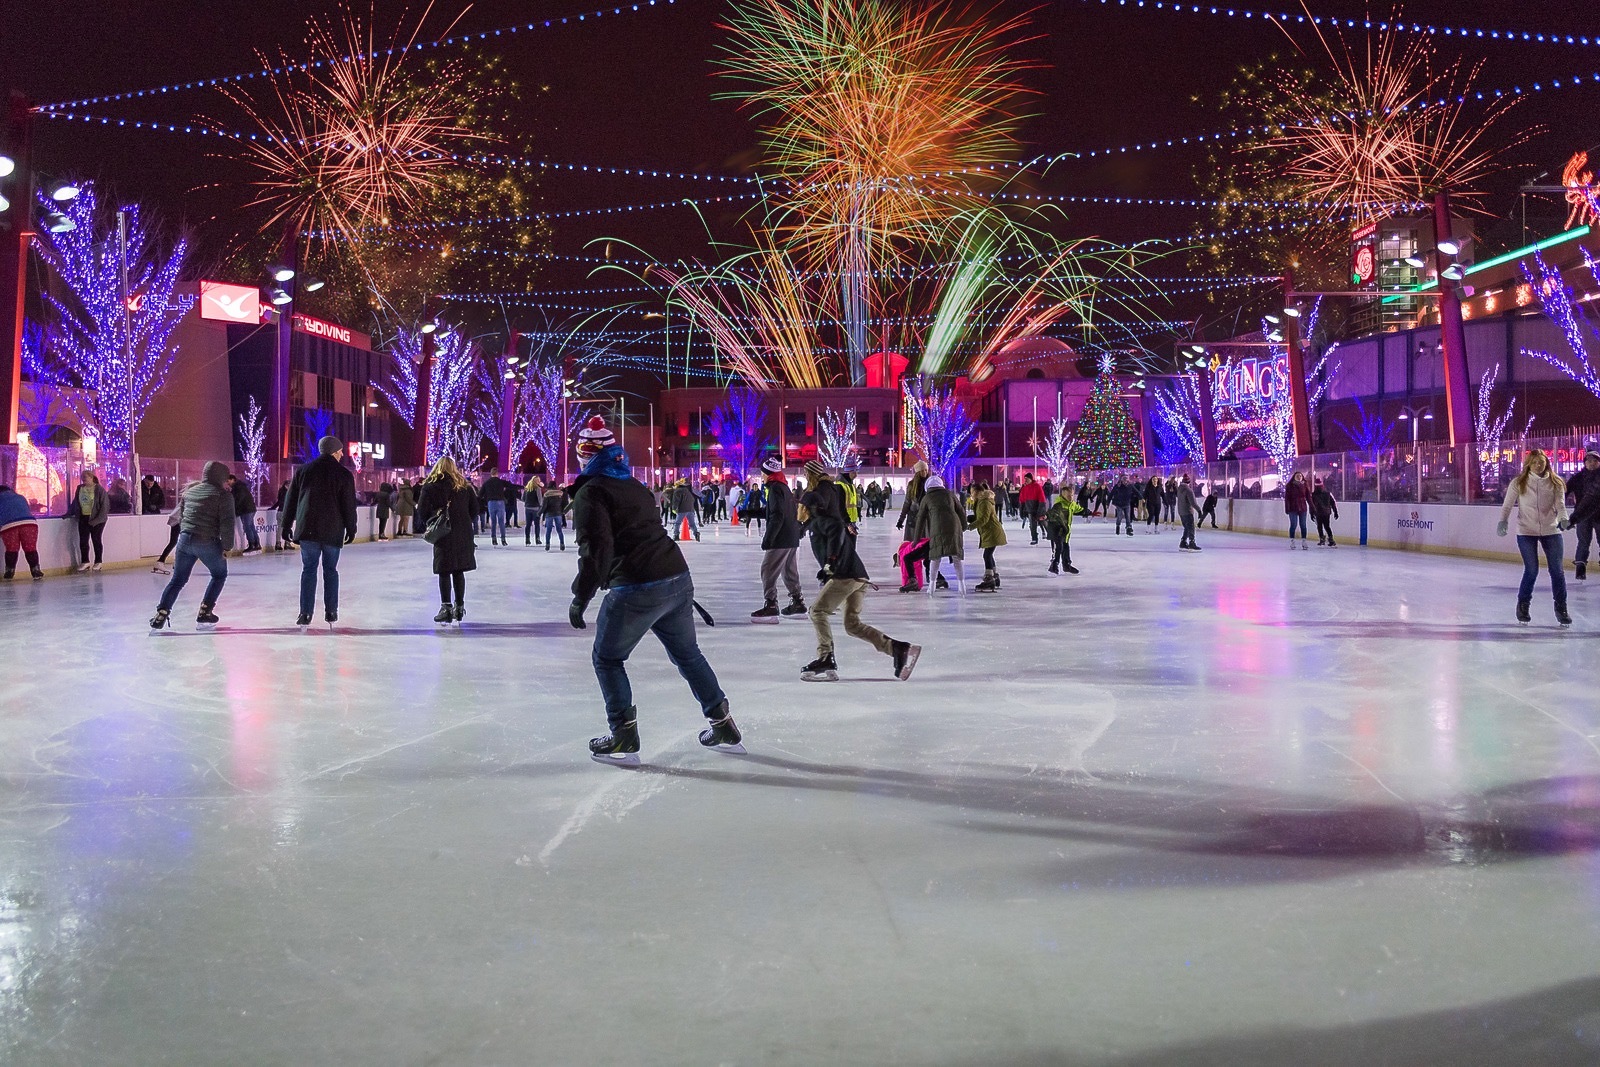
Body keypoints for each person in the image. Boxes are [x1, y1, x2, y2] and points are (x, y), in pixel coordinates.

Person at [566, 417, 741, 763]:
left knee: (607, 658)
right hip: (675, 577)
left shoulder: (591, 492)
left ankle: (623, 735)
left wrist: (580, 596)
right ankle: (722, 723)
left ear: (586, 455)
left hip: (637, 587)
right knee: (688, 655)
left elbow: (596, 550)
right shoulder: (634, 485)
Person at [800, 458, 920, 683]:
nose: (800, 510)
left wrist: (830, 564)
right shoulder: (822, 517)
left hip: (845, 574)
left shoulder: (823, 519)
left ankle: (825, 657)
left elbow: (835, 527)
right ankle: (899, 650)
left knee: (817, 612)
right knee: (852, 625)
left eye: (802, 507)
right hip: (859, 575)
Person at [281, 435, 358, 628]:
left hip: (308, 529)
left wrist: (286, 525)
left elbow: (290, 501)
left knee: (309, 570)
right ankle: (331, 612)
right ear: (334, 452)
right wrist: (351, 527)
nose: (341, 455)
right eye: (340, 452)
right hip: (332, 530)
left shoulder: (304, 471)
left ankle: (305, 613)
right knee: (330, 571)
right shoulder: (343, 474)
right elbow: (349, 505)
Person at [149, 461, 235, 631]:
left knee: (178, 580)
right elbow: (227, 523)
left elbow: (182, 516)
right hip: (207, 541)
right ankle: (205, 612)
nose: (227, 482)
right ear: (220, 477)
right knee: (219, 575)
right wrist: (227, 547)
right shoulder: (223, 496)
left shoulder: (190, 492)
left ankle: (161, 613)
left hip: (184, 540)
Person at [1498, 448, 1572, 627]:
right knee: (1531, 570)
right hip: (1526, 531)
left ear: (1547, 462)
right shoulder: (1519, 482)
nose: (1539, 465)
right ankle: (1523, 606)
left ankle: (1561, 608)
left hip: (1551, 530)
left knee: (1557, 571)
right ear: (1528, 464)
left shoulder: (1556, 483)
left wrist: (1563, 519)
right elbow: (1507, 505)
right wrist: (1503, 521)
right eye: (1535, 462)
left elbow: (1561, 506)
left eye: (1542, 462)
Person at [416, 456, 479, 624]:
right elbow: (475, 510)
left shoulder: (430, 487)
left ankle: (446, 607)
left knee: (444, 570)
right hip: (463, 533)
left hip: (443, 533)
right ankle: (459, 607)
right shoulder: (465, 487)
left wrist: (433, 521)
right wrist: (463, 521)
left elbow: (421, 512)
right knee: (458, 570)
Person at [750, 456, 806, 622]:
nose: (762, 476)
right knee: (789, 570)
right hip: (791, 535)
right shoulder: (784, 488)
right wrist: (749, 513)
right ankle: (797, 601)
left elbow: (777, 515)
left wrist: (769, 538)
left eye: (763, 473)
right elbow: (773, 511)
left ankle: (771, 604)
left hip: (781, 537)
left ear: (769, 474)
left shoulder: (774, 489)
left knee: (768, 570)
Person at [910, 473, 966, 594]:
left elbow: (920, 519)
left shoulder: (927, 498)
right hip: (954, 526)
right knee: (957, 558)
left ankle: (932, 586)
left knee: (935, 557)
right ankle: (962, 586)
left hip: (937, 527)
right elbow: (961, 510)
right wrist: (964, 526)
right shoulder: (950, 494)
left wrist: (916, 539)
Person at [65, 470, 109, 572]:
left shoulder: (99, 489)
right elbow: (76, 502)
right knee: (83, 540)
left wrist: (97, 520)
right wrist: (68, 513)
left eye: (86, 477)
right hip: (84, 517)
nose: (84, 479)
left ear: (91, 477)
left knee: (96, 539)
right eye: (82, 477)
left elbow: (104, 506)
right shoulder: (80, 488)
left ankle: (98, 562)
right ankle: (85, 561)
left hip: (97, 519)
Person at [1567, 448, 1600, 579]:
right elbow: (1564, 491)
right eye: (1589, 461)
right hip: (1582, 516)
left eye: (1595, 461)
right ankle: (1580, 569)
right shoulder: (1578, 478)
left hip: (1598, 516)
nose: (1592, 463)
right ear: (1585, 463)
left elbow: (1591, 496)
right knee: (1583, 542)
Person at [0, 484, 43, 581]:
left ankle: (9, 572)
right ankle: (36, 571)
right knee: (30, 548)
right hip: (29, 523)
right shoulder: (20, 497)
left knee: (11, 550)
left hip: (9, 525)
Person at [969, 481, 1006, 592]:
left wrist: (970, 526)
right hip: (990, 531)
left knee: (987, 555)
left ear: (977, 492)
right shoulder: (981, 501)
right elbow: (980, 516)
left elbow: (984, 519)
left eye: (972, 492)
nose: (971, 494)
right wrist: (969, 519)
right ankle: (994, 575)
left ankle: (989, 579)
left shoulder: (984, 502)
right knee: (989, 554)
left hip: (992, 532)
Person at [1045, 486, 1080, 574]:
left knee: (1066, 547)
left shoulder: (1071, 504)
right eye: (1068, 496)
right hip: (1056, 530)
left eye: (1071, 495)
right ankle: (1054, 565)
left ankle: (1066, 565)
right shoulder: (1059, 505)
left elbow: (1079, 509)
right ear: (1063, 495)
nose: (1071, 497)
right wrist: (1046, 516)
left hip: (1065, 530)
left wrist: (1089, 512)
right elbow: (1052, 512)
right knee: (1058, 547)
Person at [225, 474, 261, 554]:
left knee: (247, 526)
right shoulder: (238, 487)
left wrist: (234, 508)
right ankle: (256, 543)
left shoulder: (238, 487)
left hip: (246, 509)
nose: (228, 483)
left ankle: (252, 544)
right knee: (251, 526)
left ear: (233, 479)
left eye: (228, 481)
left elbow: (239, 499)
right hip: (248, 509)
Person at [481, 468, 514, 546]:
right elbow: (511, 486)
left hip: (491, 502)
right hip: (500, 502)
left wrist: (486, 498)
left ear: (491, 474)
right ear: (497, 474)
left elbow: (480, 494)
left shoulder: (486, 483)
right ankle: (503, 539)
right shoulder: (501, 482)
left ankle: (494, 539)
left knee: (493, 521)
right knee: (501, 522)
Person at [1284, 471, 1311, 549]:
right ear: (1294, 477)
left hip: (1302, 507)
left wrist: (1312, 507)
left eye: (1300, 476)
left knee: (1303, 525)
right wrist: (1287, 509)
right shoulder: (1290, 486)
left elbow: (1308, 497)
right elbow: (1287, 499)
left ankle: (1304, 541)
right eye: (1297, 476)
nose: (1299, 477)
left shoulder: (1305, 485)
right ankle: (1292, 541)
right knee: (1293, 524)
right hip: (1293, 508)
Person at [1311, 477, 1340, 547]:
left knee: (1320, 526)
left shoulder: (1314, 494)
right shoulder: (1327, 493)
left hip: (1318, 512)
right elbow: (1333, 503)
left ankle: (1322, 539)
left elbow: (1311, 505)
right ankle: (1331, 540)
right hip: (1326, 512)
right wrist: (1335, 512)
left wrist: (1311, 513)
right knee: (1327, 526)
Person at [1019, 473, 1047, 545]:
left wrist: (1041, 510)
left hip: (1038, 508)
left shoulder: (1037, 486)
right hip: (1030, 509)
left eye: (1027, 479)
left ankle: (1050, 535)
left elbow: (1042, 498)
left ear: (1031, 479)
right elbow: (1022, 500)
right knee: (1032, 525)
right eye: (1025, 479)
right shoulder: (1024, 488)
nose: (1026, 480)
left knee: (1043, 522)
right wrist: (1022, 511)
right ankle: (1034, 538)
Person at [152, 507, 181, 575]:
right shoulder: (192, 498)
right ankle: (160, 562)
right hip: (178, 520)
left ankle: (176, 562)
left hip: (179, 519)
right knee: (175, 542)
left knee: (175, 542)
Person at [542, 481, 569, 550]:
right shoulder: (560, 493)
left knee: (548, 530)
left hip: (549, 514)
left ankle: (547, 544)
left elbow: (544, 506)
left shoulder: (546, 494)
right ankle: (562, 544)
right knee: (559, 530)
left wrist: (540, 513)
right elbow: (565, 503)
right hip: (558, 513)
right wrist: (563, 511)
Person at [1177, 474, 1201, 551]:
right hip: (1187, 511)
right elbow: (1193, 503)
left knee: (1186, 527)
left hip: (1181, 511)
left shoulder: (1179, 489)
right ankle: (1192, 543)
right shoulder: (1188, 490)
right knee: (1191, 527)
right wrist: (1199, 510)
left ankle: (1183, 542)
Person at [523, 474, 544, 545]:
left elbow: (523, 498)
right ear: (537, 481)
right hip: (536, 509)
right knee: (537, 525)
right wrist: (541, 507)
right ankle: (537, 539)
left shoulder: (526, 488)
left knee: (528, 525)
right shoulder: (537, 488)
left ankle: (527, 540)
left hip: (528, 508)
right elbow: (540, 500)